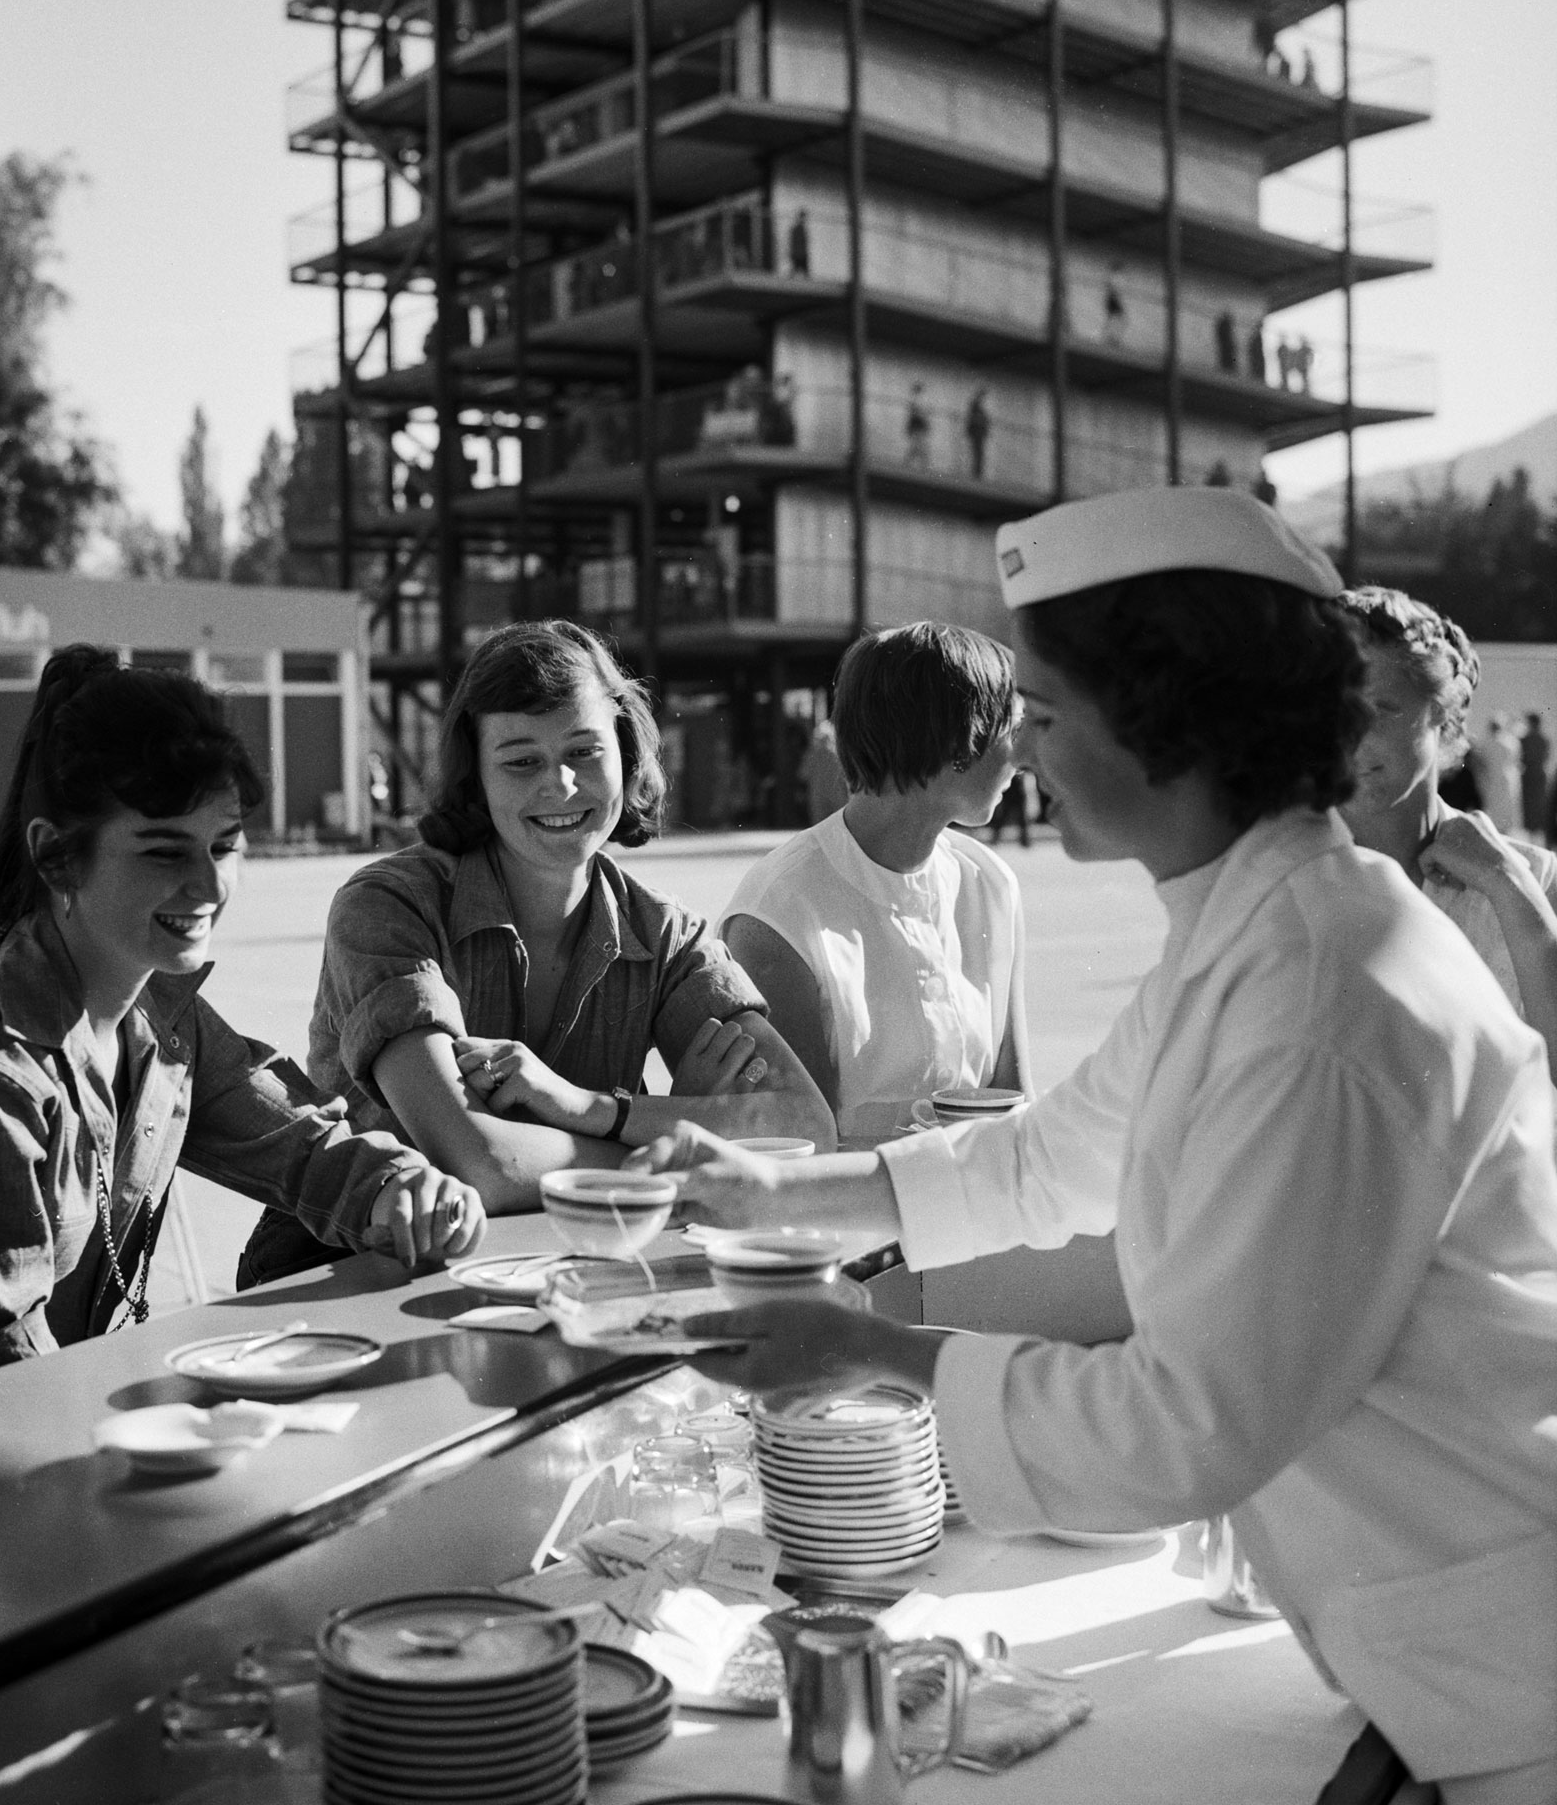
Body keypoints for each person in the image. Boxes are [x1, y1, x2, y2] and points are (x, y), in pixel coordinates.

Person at [640, 489, 1557, 1803]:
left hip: (1515, 1685)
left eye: (1050, 708)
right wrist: (776, 1193)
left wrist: (865, 1355)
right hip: (1446, 1656)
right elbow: (1053, 1153)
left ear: (1172, 725)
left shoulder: (1317, 980)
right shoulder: (1263, 917)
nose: (1022, 748)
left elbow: (1193, 1423)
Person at [0, 648, 484, 1423]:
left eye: (224, 844)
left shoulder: (158, 1010)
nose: (210, 885)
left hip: (57, 1409)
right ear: (56, 856)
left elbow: (305, 1149)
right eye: (163, 851)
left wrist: (407, 1192)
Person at [239, 622, 833, 1282]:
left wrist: (598, 1108)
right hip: (352, 1268)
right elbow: (485, 1166)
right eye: (521, 760)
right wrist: (679, 1137)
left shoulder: (665, 935)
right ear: (476, 775)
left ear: (628, 754)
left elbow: (806, 1126)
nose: (562, 785)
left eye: (584, 751)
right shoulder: (387, 907)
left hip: (566, 1266)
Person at [720, 624, 1029, 1146]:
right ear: (959, 740)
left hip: (976, 1213)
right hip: (843, 1216)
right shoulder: (780, 909)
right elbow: (799, 1145)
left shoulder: (990, 883)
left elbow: (1013, 1100)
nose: (1026, 759)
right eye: (1014, 732)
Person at [1337, 587, 1557, 1081]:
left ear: (1442, 712)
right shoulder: (1276, 871)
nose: (1347, 735)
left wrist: (1510, 888)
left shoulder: (1534, 881)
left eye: (1379, 708)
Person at [1470, 714, 1524, 834]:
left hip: (1491, 779)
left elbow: (1479, 761)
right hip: (1508, 779)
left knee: (1494, 808)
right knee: (1506, 808)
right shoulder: (1511, 742)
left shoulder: (1485, 743)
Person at [1519, 712, 1549, 845]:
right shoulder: (1544, 740)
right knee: (1538, 807)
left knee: (1529, 808)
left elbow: (1522, 758)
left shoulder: (1524, 739)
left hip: (1528, 776)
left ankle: (1532, 838)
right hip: (1540, 776)